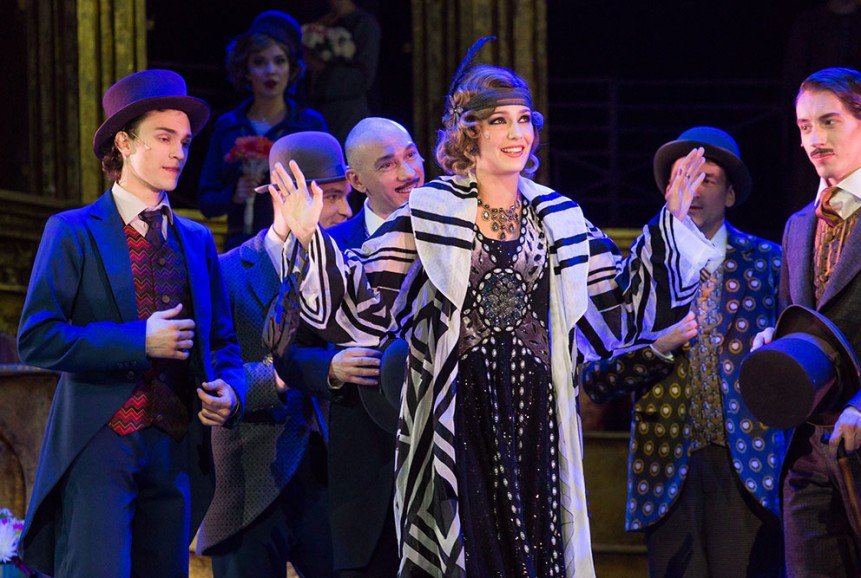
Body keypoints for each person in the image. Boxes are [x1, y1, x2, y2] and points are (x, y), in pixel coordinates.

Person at [267, 38, 720, 576]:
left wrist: (671, 227)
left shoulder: (559, 216)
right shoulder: (430, 212)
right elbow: (364, 305)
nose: (516, 133)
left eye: (523, 120)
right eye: (500, 121)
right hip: (462, 418)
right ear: (469, 134)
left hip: (538, 420)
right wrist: (309, 238)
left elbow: (621, 307)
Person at [16, 69, 245, 577]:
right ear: (124, 143)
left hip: (174, 446)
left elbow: (223, 341)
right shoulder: (73, 231)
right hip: (100, 442)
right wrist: (138, 339)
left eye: (184, 141)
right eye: (164, 138)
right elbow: (37, 338)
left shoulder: (196, 239)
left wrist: (231, 389)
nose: (178, 153)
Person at [582, 127, 787, 577]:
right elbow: (596, 379)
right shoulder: (640, 270)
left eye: (706, 179)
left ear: (730, 194)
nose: (692, 190)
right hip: (667, 467)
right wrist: (656, 349)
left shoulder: (770, 262)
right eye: (683, 178)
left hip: (751, 466)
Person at [197, 131, 351, 578]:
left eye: (346, 196)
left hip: (328, 474)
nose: (346, 210)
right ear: (285, 194)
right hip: (251, 476)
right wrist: (285, 376)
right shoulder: (226, 273)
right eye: (332, 197)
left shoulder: (345, 266)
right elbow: (213, 373)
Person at [275, 117, 424, 577]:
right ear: (357, 181)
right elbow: (286, 352)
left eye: (411, 155)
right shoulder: (326, 245)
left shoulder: (453, 237)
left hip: (445, 475)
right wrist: (331, 367)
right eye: (388, 164)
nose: (408, 172)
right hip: (364, 479)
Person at [753, 66, 861, 577]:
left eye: (829, 122)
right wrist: (777, 342)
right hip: (808, 448)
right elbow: (801, 318)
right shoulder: (799, 225)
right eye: (804, 127)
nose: (815, 139)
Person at [199, 10, 327, 251]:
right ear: (246, 70)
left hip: (296, 247)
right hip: (243, 248)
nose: (270, 71)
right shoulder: (229, 126)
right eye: (259, 62)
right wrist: (234, 193)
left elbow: (330, 191)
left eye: (279, 61)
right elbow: (207, 200)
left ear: (292, 68)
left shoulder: (308, 125)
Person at [305, 0, 381, 144]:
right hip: (317, 110)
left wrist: (321, 68)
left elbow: (363, 77)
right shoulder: (324, 21)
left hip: (346, 115)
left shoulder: (363, 24)